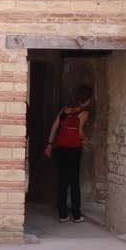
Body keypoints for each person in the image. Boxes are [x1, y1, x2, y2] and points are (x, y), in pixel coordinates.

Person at [44, 85, 94, 223]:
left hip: (60, 149)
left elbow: (55, 126)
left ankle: (62, 214)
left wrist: (49, 144)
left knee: (62, 181)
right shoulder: (84, 113)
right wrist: (87, 140)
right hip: (73, 150)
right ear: (87, 100)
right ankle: (77, 215)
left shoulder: (65, 110)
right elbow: (79, 133)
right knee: (74, 182)